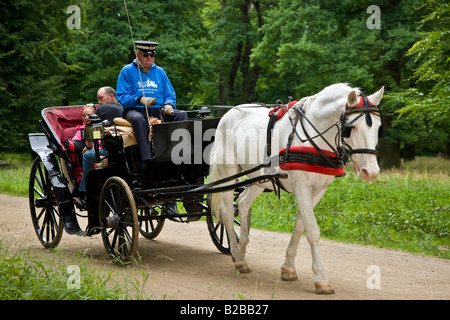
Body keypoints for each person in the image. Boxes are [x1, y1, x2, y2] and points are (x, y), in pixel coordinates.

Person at [116, 40, 187, 166]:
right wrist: (139, 100)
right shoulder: (126, 71)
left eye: (152, 54)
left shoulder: (160, 71)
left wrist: (169, 104)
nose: (149, 57)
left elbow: (170, 94)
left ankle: (180, 155)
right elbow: (122, 96)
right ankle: (146, 159)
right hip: (134, 109)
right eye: (146, 54)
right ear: (137, 54)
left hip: (158, 110)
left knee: (181, 115)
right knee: (138, 119)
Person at [78, 88, 123, 194]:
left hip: (110, 152)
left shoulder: (103, 109)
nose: (99, 102)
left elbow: (91, 130)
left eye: (101, 98)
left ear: (112, 96)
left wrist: (88, 147)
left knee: (87, 155)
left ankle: (84, 190)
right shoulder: (125, 108)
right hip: (128, 152)